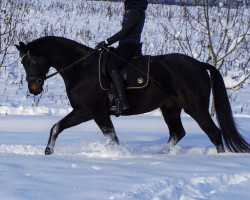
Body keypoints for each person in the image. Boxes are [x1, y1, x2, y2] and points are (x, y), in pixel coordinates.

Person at [95, 0, 148, 111]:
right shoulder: (132, 9)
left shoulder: (136, 11)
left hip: (129, 46)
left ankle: (123, 101)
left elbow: (124, 31)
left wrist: (106, 42)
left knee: (111, 66)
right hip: (125, 44)